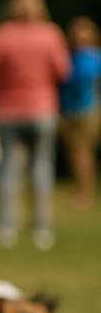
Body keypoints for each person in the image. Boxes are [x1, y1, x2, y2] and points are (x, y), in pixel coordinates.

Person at [0, 0, 70, 250]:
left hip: (8, 110)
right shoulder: (50, 34)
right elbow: (63, 71)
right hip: (42, 108)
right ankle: (42, 229)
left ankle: (6, 227)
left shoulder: (2, 35)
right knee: (41, 168)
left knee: (9, 169)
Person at [60, 16, 100, 207]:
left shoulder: (93, 58)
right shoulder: (70, 57)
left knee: (82, 153)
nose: (78, 35)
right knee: (78, 153)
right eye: (76, 31)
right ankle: (83, 190)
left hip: (86, 110)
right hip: (70, 110)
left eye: (83, 31)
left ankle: (85, 194)